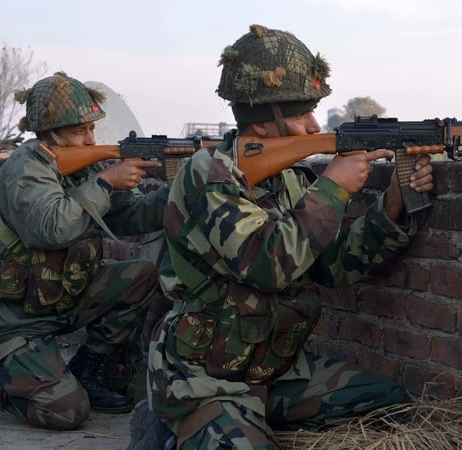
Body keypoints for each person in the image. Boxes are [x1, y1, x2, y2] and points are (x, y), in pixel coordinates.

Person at [128, 25, 434, 449]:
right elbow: (268, 264)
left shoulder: (288, 174)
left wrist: (393, 205)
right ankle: (166, 422)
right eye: (299, 114)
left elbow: (330, 264)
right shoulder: (208, 173)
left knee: (385, 402)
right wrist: (333, 188)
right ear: (264, 119)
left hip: (272, 370)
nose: (312, 125)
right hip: (204, 378)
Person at [0, 72, 167, 430]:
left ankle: (88, 370)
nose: (91, 139)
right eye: (80, 131)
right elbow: (51, 229)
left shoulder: (86, 166)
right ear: (49, 132)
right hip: (8, 315)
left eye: (92, 129)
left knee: (140, 275)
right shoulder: (23, 169)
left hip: (59, 295)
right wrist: (106, 182)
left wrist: (181, 189)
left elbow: (133, 216)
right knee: (66, 413)